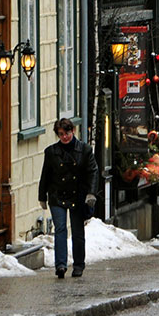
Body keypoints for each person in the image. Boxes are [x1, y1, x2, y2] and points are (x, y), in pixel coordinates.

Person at [38, 118, 100, 279]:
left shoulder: (84, 150)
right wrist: (42, 196)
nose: (64, 137)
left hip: (78, 195)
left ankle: (79, 264)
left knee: (77, 231)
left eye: (67, 133)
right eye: (61, 134)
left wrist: (91, 193)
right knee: (60, 229)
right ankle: (60, 265)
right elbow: (45, 175)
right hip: (57, 194)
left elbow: (93, 172)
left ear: (73, 131)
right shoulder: (51, 152)